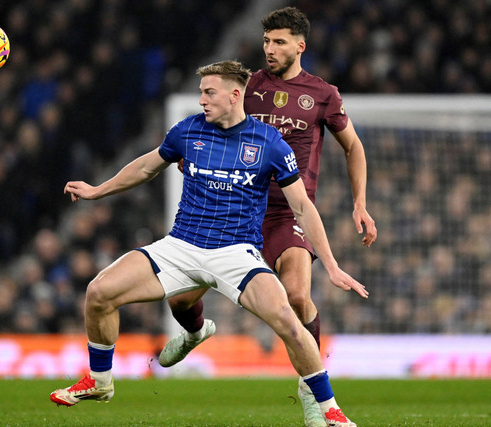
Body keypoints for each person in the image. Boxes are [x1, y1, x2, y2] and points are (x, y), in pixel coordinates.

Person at [50, 60, 364, 427]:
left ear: (234, 95)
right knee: (99, 291)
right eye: (201, 92)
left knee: (287, 320)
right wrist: (97, 190)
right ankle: (101, 382)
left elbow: (302, 207)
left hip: (236, 252)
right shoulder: (187, 131)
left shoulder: (269, 143)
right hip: (181, 245)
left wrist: (330, 263)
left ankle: (329, 410)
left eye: (208, 92)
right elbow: (146, 167)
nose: (201, 99)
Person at [160, 8, 377, 426]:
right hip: (235, 209)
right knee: (179, 300)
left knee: (297, 296)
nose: (270, 49)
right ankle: (195, 332)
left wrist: (359, 203)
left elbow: (354, 147)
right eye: (266, 42)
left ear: (301, 46)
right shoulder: (247, 87)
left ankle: (312, 391)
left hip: (287, 213)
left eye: (279, 42)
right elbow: (212, 127)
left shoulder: (323, 94)